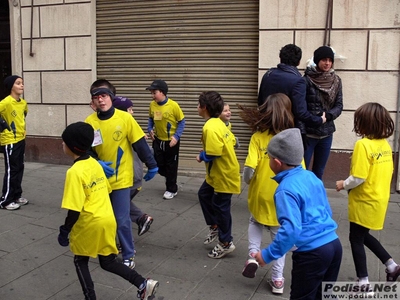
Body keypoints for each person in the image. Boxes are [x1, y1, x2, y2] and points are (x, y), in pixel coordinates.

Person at [58, 122, 159, 300]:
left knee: (80, 260)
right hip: (107, 220)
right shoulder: (95, 164)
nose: (62, 145)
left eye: (63, 142)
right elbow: (106, 191)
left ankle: (90, 297)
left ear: (72, 147)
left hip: (89, 223)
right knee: (108, 261)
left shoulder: (74, 172)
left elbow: (74, 209)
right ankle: (143, 284)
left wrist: (65, 230)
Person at [254, 128, 342, 300]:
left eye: (269, 157)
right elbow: (327, 210)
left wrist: (267, 255)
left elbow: (290, 229)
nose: (269, 161)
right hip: (334, 245)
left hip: (312, 254)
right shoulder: (311, 176)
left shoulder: (285, 190)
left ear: (277, 162)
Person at [85, 79, 158, 269]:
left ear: (111, 97)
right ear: (93, 101)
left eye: (104, 96)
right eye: (96, 97)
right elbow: (88, 149)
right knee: (103, 218)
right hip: (100, 179)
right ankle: (110, 247)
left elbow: (139, 144)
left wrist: (152, 165)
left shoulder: (125, 119)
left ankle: (128, 254)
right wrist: (96, 162)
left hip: (121, 179)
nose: (100, 100)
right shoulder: (89, 122)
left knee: (121, 219)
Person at [336, 102, 400, 288]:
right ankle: (392, 266)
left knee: (355, 238)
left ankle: (363, 282)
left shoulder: (362, 145)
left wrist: (343, 184)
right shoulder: (385, 146)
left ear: (363, 124)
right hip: (379, 199)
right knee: (362, 235)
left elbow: (358, 177)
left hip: (364, 200)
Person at [238, 93, 295, 294]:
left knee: (255, 221)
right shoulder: (292, 139)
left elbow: (249, 170)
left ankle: (253, 255)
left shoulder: (257, 137)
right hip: (282, 196)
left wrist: (247, 182)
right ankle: (278, 279)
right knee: (279, 238)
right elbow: (300, 170)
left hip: (260, 193)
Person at [196, 91, 241, 259]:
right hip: (216, 173)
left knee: (221, 207)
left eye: (198, 105)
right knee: (204, 194)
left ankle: (225, 242)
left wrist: (201, 156)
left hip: (224, 174)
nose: (197, 108)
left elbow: (214, 153)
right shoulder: (218, 123)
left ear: (205, 108)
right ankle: (215, 226)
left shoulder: (210, 126)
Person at [257, 44, 326, 149]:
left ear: (280, 58)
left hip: (266, 126)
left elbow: (260, 101)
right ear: (298, 62)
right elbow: (300, 112)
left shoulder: (268, 74)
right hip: (287, 131)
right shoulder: (298, 80)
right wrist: (318, 120)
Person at [112, 96, 153, 236]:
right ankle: (141, 219)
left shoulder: (128, 127)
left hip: (129, 176)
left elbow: (145, 150)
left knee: (117, 206)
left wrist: (152, 165)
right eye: (130, 109)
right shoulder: (125, 125)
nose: (133, 112)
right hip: (131, 175)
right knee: (118, 204)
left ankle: (139, 221)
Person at [303, 46, 343, 180]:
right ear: (317, 60)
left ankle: (315, 199)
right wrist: (315, 119)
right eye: (324, 60)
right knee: (303, 170)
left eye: (330, 60)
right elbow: (301, 107)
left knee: (318, 172)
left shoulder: (336, 80)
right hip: (309, 134)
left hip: (326, 134)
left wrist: (329, 116)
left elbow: (339, 105)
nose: (327, 63)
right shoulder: (306, 80)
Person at [146, 80, 185, 200]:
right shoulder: (152, 105)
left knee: (171, 166)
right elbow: (151, 119)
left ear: (162, 92)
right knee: (159, 164)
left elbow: (182, 122)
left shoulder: (173, 105)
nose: (152, 96)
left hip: (171, 142)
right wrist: (149, 129)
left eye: (154, 92)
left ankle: (171, 189)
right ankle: (169, 177)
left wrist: (176, 136)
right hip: (158, 139)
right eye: (151, 93)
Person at [0, 75, 29, 210]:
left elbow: (23, 116)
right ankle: (5, 200)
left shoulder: (23, 103)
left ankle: (16, 195)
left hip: (20, 139)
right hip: (10, 140)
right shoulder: (6, 102)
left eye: (22, 83)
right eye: (18, 83)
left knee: (19, 168)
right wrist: (3, 125)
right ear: (11, 86)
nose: (21, 85)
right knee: (12, 170)